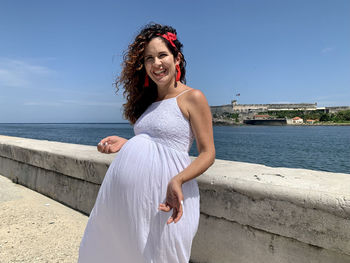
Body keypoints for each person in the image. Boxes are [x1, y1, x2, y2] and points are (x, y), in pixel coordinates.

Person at [78, 23, 215, 263]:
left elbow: (208, 153)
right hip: (130, 204)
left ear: (177, 58)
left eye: (162, 55)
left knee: (165, 255)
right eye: (149, 58)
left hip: (167, 196)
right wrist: (127, 144)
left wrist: (178, 179)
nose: (156, 64)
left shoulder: (193, 97)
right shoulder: (150, 103)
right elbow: (156, 140)